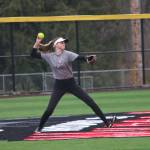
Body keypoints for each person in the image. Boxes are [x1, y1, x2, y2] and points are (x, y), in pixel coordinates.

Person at [31, 36, 116, 132]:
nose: (64, 44)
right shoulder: (50, 56)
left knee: (90, 102)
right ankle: (39, 128)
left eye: (64, 42)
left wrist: (88, 58)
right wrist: (37, 43)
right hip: (59, 85)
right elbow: (33, 54)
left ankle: (106, 123)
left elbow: (81, 58)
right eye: (61, 42)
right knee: (50, 109)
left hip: (71, 84)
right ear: (56, 45)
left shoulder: (67, 54)